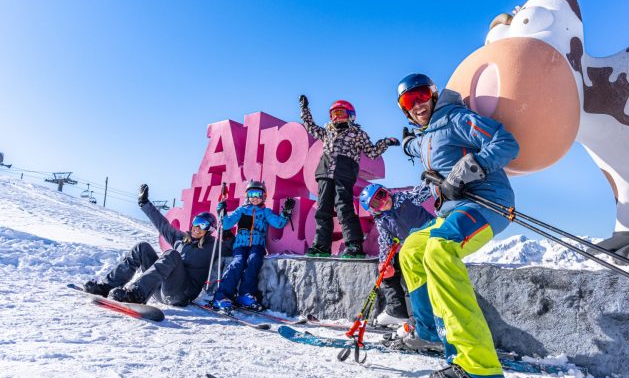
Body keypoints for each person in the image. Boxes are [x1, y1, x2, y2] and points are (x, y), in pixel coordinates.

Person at [394, 73, 520, 378]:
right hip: (452, 210)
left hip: (487, 203)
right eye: (408, 101)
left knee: (439, 249)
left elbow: (505, 142)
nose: (417, 104)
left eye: (421, 95)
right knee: (412, 249)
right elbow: (421, 145)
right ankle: (429, 331)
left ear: (434, 95)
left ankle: (476, 368)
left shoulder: (456, 118)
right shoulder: (426, 135)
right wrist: (410, 143)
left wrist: (467, 170)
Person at [83, 184, 223, 306]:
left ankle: (136, 294)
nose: (197, 227)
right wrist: (144, 203)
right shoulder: (181, 238)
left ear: (210, 230)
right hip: (159, 288)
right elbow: (162, 225)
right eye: (196, 222)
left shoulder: (213, 247)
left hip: (181, 294)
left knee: (172, 255)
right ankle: (106, 287)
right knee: (142, 247)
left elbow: (233, 248)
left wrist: (227, 227)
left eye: (203, 225)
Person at [299, 94, 400, 258]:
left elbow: (372, 152)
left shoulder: (357, 134)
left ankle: (354, 244)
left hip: (344, 172)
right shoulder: (327, 132)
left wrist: (385, 143)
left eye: (341, 113)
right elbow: (310, 126)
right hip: (325, 172)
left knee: (343, 207)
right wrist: (305, 109)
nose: (337, 117)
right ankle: (321, 246)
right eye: (334, 114)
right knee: (323, 209)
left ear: (351, 116)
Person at [212, 180, 295, 311]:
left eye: (258, 194)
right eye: (251, 194)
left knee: (254, 261)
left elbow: (278, 223)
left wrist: (286, 212)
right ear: (247, 196)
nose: (255, 197)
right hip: (240, 245)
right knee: (237, 263)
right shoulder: (242, 210)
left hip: (257, 245)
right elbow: (227, 225)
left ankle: (245, 295)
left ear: (264, 196)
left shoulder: (265, 212)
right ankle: (222, 296)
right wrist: (222, 212)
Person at [359, 183, 433, 326]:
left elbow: (424, 191)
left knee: (414, 272)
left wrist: (433, 181)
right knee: (399, 269)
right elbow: (386, 243)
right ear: (373, 210)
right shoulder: (383, 221)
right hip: (414, 251)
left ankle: (419, 319)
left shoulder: (404, 198)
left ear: (387, 191)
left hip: (433, 239)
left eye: (382, 194)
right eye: (376, 203)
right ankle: (401, 313)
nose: (383, 201)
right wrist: (385, 263)